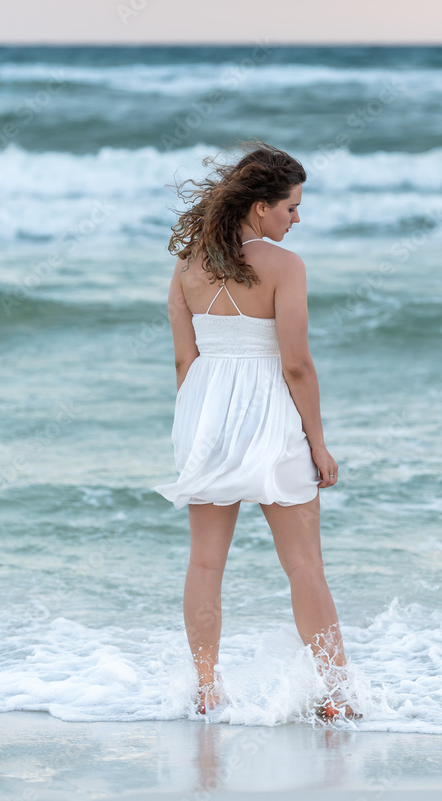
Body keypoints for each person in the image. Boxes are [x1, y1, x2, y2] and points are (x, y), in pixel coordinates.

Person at [155, 140, 359, 721]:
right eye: (292, 207)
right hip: (268, 413)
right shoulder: (284, 266)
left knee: (204, 563)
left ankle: (203, 690)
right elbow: (296, 364)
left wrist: (199, 424)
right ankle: (336, 696)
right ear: (261, 207)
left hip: (205, 412)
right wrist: (318, 443)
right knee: (303, 566)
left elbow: (183, 362)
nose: (297, 218)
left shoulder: (189, 263)